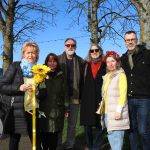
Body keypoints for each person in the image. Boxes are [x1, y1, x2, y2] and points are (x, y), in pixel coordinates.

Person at [0, 41, 41, 150]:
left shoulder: (38, 70)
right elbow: (2, 86)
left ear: (37, 55)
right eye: (28, 52)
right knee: (14, 139)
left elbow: (43, 91)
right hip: (18, 110)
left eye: (33, 53)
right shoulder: (15, 66)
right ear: (23, 54)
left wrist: (38, 92)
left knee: (35, 139)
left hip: (33, 110)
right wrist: (19, 88)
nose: (30, 55)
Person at [121, 31, 150, 150]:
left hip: (144, 98)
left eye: (132, 39)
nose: (130, 42)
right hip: (129, 99)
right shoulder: (123, 58)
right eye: (127, 40)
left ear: (136, 40)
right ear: (125, 42)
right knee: (132, 129)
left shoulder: (147, 54)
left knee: (143, 130)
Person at [57, 38, 84, 150]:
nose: (70, 47)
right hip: (60, 98)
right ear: (64, 47)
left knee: (72, 124)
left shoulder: (80, 61)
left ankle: (70, 145)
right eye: (68, 45)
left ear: (75, 47)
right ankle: (57, 145)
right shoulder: (57, 59)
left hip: (74, 98)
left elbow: (83, 80)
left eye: (72, 45)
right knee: (59, 124)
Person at [38, 53, 67, 150]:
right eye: (50, 61)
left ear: (57, 63)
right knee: (44, 137)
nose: (52, 63)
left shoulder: (61, 76)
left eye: (54, 61)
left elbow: (65, 94)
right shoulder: (40, 75)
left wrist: (67, 108)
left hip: (57, 110)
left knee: (54, 138)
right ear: (46, 63)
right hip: (43, 111)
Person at [102, 51, 130, 150]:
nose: (110, 63)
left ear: (117, 62)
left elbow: (123, 94)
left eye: (113, 61)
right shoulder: (107, 76)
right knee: (111, 138)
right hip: (107, 113)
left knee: (117, 140)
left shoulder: (121, 75)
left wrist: (118, 110)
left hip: (116, 112)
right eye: (108, 61)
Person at [80, 44, 106, 150]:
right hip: (87, 99)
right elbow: (81, 83)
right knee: (87, 126)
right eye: (92, 51)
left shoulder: (106, 65)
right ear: (89, 53)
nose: (94, 52)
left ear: (100, 51)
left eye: (96, 50)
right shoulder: (85, 66)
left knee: (101, 125)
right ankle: (89, 145)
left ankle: (96, 146)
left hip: (101, 99)